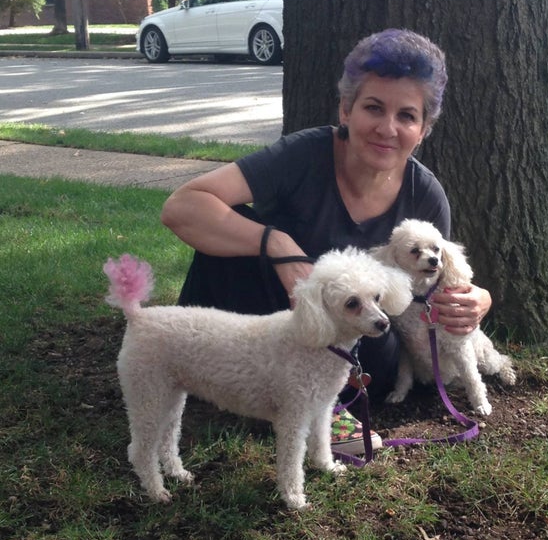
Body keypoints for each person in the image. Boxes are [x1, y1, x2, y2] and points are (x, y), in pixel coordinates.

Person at [161, 28, 491, 455]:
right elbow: (182, 207)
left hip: (358, 348)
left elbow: (433, 287)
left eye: (407, 116)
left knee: (375, 338)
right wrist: (279, 245)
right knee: (232, 231)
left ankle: (321, 406)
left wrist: (479, 299)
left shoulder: (425, 194)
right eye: (373, 107)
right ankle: (229, 376)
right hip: (264, 323)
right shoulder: (301, 156)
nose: (387, 128)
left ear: (424, 128)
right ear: (346, 109)